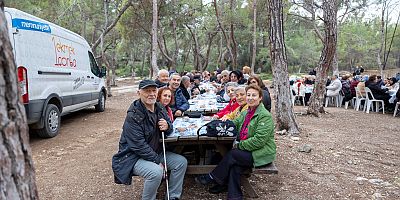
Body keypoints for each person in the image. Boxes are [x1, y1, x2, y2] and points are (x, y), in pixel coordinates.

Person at [195, 85, 276, 199]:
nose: (250, 98)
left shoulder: (264, 116)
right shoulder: (246, 111)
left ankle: (212, 177)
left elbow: (259, 141)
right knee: (235, 166)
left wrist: (239, 145)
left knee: (233, 154)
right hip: (249, 149)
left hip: (261, 152)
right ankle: (234, 196)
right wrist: (221, 124)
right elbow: (234, 123)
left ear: (260, 98)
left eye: (254, 95)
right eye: (249, 95)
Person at [112, 80, 187, 200]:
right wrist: (157, 161)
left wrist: (167, 126)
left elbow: (169, 125)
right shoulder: (133, 115)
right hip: (133, 157)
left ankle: (173, 196)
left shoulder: (159, 107)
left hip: (154, 152)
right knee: (156, 172)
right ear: (139, 93)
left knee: (181, 162)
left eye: (153, 90)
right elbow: (138, 145)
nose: (151, 94)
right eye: (147, 91)